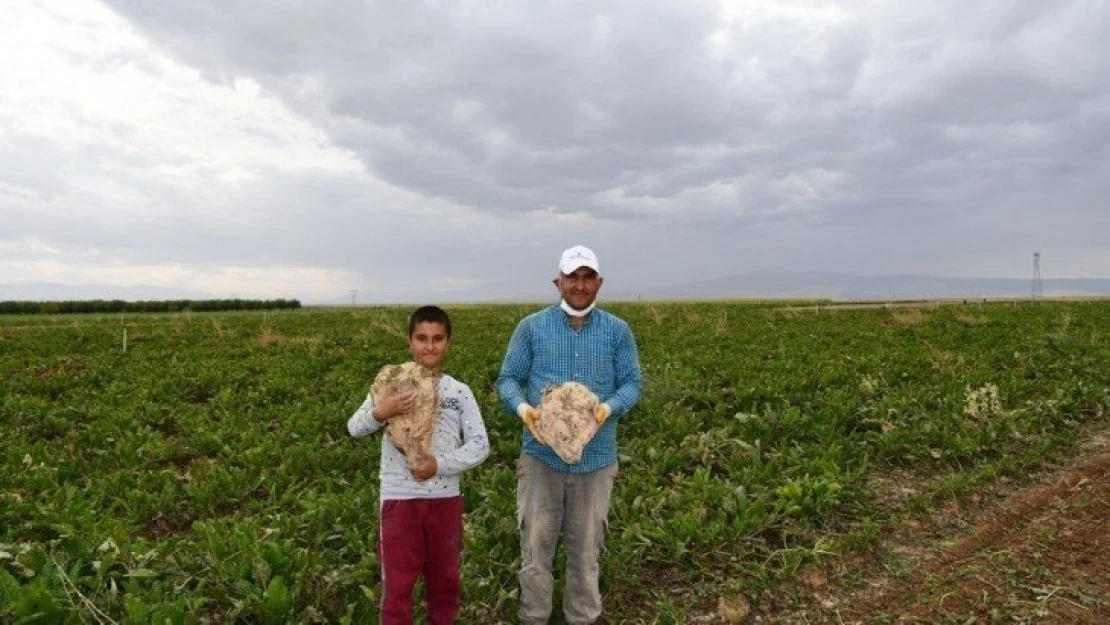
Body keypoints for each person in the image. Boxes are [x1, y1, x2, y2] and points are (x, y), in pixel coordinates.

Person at [496, 245, 643, 625]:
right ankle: (534, 617)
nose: (579, 285)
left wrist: (607, 408)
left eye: (587, 277)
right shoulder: (530, 328)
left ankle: (582, 617)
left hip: (595, 461)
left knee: (585, 551)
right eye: (572, 277)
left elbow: (632, 384)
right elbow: (508, 379)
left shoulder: (617, 331)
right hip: (540, 457)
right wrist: (523, 409)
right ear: (557, 281)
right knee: (536, 548)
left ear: (599, 283)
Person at [347, 305, 490, 625]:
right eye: (422, 338)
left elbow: (481, 445)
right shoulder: (392, 385)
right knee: (398, 588)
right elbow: (354, 428)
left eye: (438, 339)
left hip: (444, 501)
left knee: (445, 583)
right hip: (399, 501)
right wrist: (381, 411)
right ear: (410, 341)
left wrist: (438, 465)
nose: (430, 346)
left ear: (448, 342)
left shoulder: (458, 392)